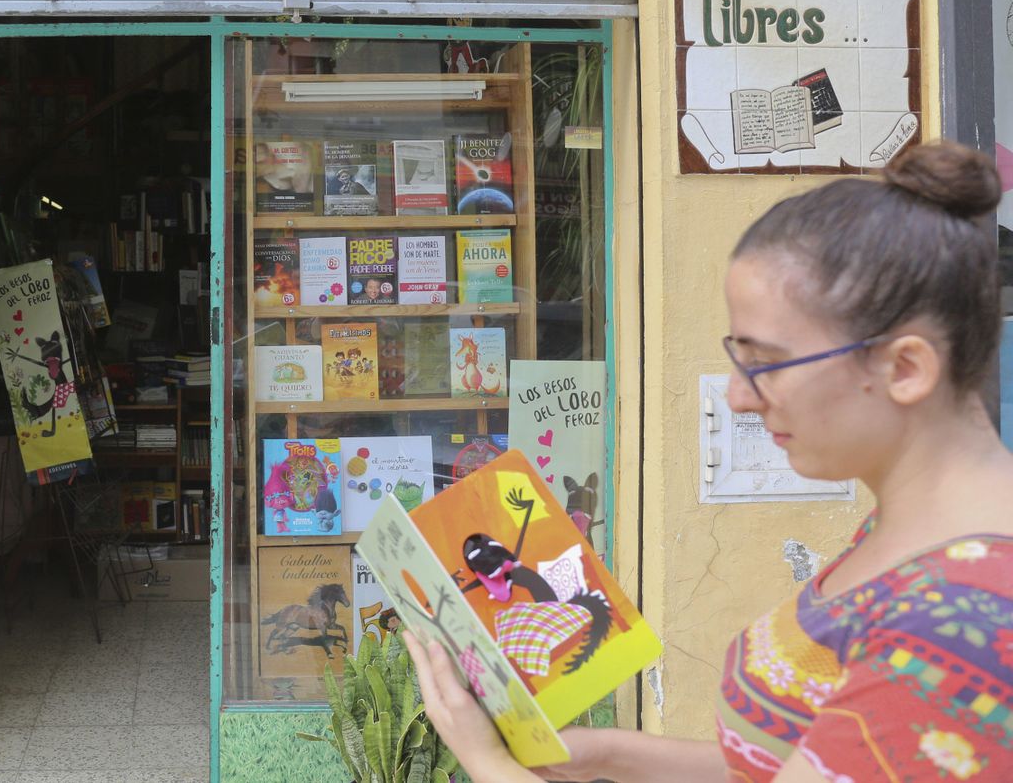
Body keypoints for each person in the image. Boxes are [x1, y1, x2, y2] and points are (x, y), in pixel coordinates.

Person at [404, 140, 1013, 782]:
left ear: (905, 367)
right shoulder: (913, 537)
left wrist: (482, 758)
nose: (738, 396)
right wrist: (610, 756)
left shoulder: (963, 619)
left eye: (767, 363)